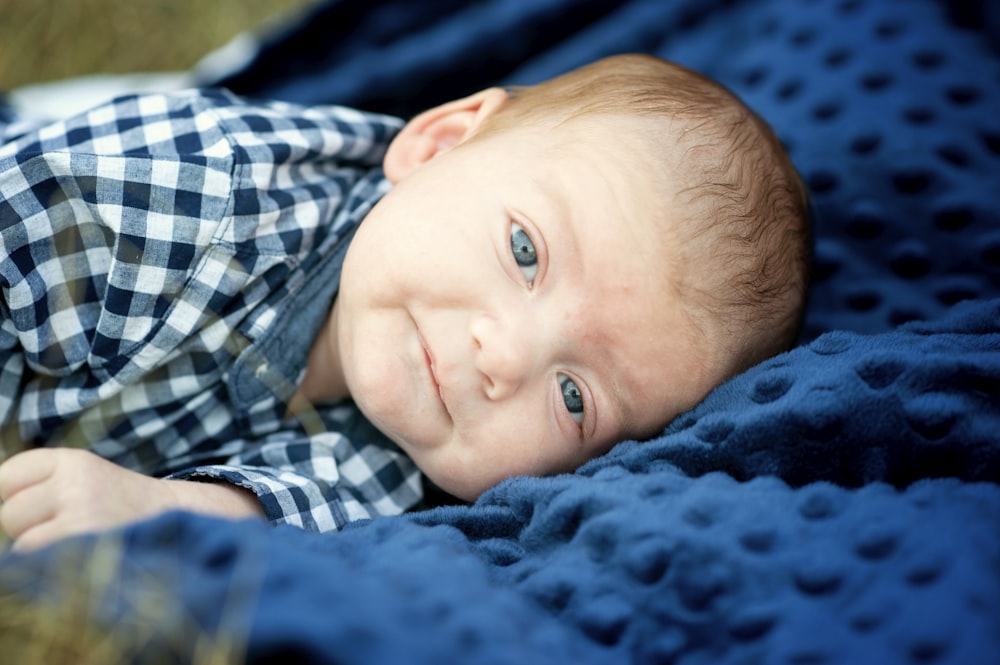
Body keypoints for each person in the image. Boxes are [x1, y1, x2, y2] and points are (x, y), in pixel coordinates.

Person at [0, 54, 810, 551]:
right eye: (526, 251)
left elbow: (291, 513)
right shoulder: (192, 192)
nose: (505, 357)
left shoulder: (407, 470)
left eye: (575, 396)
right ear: (438, 145)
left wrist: (159, 505)